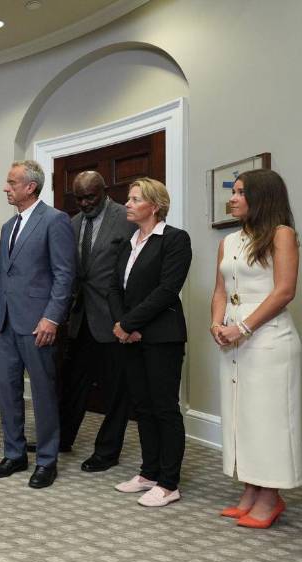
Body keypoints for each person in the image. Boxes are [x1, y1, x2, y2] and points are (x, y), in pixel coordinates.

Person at [211, 168, 302, 528]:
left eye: (239, 192)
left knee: (268, 419)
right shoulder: (229, 241)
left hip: (269, 341)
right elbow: (220, 290)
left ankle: (271, 496)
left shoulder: (282, 235)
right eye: (232, 192)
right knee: (241, 416)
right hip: (232, 339)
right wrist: (217, 323)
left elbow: (284, 291)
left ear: (262, 197)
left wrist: (243, 327)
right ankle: (250, 488)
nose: (232, 199)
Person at [0, 160, 75, 488]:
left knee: (43, 394)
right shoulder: (8, 227)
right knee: (8, 392)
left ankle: (47, 460)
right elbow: (3, 276)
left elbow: (65, 275)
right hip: (7, 322)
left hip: (39, 324)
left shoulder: (55, 221)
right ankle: (14, 454)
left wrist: (51, 317)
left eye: (11, 182)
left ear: (30, 187)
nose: (6, 188)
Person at [110, 178, 191, 507]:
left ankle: (169, 483)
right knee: (142, 406)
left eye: (134, 199)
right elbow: (114, 287)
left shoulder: (174, 239)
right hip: (131, 337)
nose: (127, 204)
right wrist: (122, 325)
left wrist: (129, 323)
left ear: (154, 206)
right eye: (128, 199)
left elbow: (167, 290)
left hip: (162, 337)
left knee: (164, 408)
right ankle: (149, 472)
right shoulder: (128, 243)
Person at [60, 172, 137, 470]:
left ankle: (107, 452)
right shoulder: (73, 222)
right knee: (72, 384)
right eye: (79, 198)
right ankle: (62, 438)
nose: (84, 203)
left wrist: (130, 318)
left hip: (114, 317)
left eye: (90, 197)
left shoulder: (126, 217)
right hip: (80, 318)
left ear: (104, 192)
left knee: (115, 390)